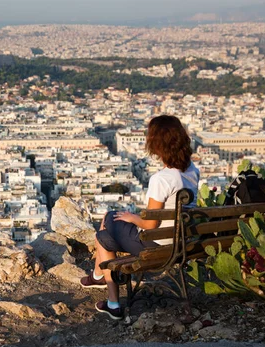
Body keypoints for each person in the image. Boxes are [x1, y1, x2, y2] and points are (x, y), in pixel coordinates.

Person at [80, 115, 200, 320]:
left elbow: (150, 223)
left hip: (156, 245)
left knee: (106, 227)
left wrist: (131, 217)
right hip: (181, 241)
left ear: (156, 144)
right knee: (109, 222)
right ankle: (99, 278)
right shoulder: (192, 171)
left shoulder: (162, 179)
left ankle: (112, 301)